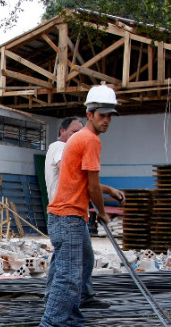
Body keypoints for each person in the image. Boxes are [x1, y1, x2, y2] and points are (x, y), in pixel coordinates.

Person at [36, 85, 124, 327]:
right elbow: (93, 186)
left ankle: (74, 326)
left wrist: (95, 206)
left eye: (110, 115)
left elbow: (83, 182)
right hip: (68, 217)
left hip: (71, 216)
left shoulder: (78, 139)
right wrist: (103, 213)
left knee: (82, 265)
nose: (106, 120)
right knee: (69, 275)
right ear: (90, 113)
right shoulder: (90, 140)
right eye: (102, 115)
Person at [43, 117, 121, 310]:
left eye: (79, 132)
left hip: (73, 213)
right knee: (67, 270)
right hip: (66, 213)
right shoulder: (60, 148)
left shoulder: (74, 145)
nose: (77, 136)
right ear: (62, 132)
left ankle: (81, 298)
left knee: (82, 258)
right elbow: (75, 178)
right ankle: (54, 305)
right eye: (73, 132)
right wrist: (107, 193)